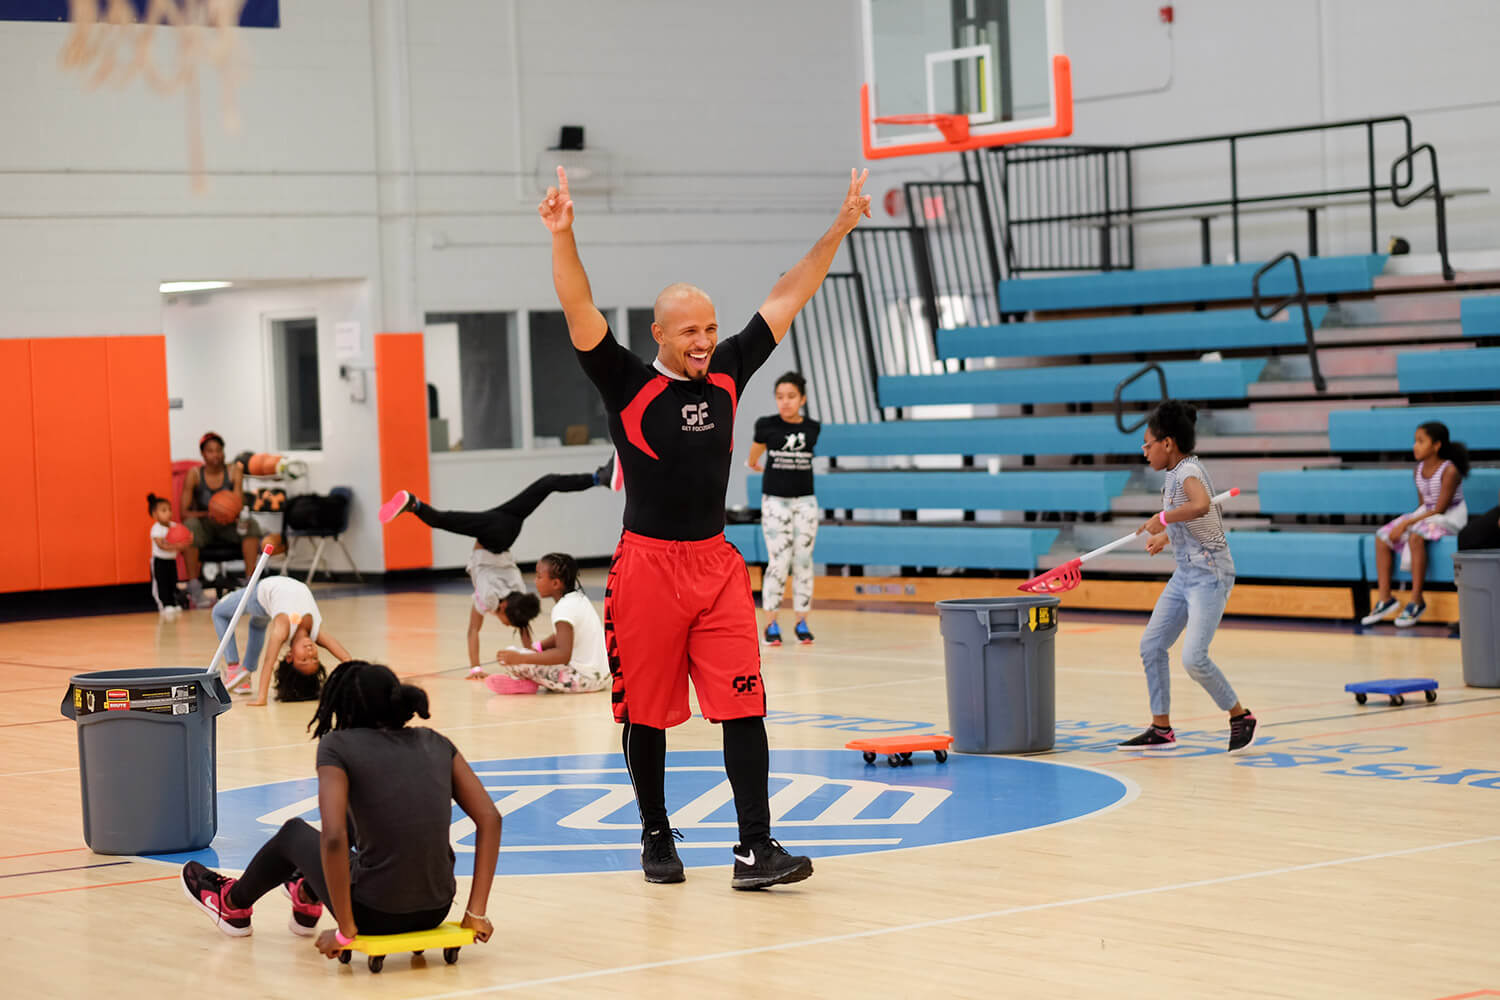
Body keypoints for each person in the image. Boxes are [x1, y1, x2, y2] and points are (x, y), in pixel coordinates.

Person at [539, 163, 870, 888]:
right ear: (657, 333)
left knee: (743, 703)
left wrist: (840, 227)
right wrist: (565, 235)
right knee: (647, 715)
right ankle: (656, 834)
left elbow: (789, 294)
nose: (704, 340)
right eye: (690, 330)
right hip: (647, 568)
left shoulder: (727, 370)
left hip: (716, 565)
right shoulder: (624, 378)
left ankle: (756, 848)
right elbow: (579, 305)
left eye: (711, 329)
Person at [180, 661, 501, 951]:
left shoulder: (339, 746)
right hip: (436, 909)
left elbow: (332, 838)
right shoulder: (436, 741)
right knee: (356, 816)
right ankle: (307, 893)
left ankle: (232, 905)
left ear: (343, 707)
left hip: (371, 913)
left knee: (294, 833)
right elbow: (490, 818)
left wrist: (347, 931)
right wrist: (475, 913)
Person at [380, 462, 615, 675]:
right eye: (506, 622)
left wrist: (527, 656)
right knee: (444, 519)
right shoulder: (488, 600)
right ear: (502, 607)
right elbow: (473, 630)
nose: (505, 624)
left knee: (547, 483)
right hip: (494, 535)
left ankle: (598, 478)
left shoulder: (518, 591)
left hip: (508, 529)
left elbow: (523, 628)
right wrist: (475, 667)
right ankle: (414, 503)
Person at [1119, 400, 1256, 755]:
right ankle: (1161, 729)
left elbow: (1199, 506)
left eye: (1148, 443)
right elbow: (1198, 519)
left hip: (1209, 573)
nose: (1144, 451)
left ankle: (1240, 716)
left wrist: (1162, 521)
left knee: (1194, 658)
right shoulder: (1175, 472)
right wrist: (1168, 536)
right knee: (1152, 645)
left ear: (1168, 443)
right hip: (1187, 572)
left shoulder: (1186, 472)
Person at [1360, 420, 1471, 628]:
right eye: (1415, 441)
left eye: (1421, 441)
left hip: (1450, 517)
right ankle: (1385, 598)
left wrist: (1408, 524)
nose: (1415, 446)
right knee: (1382, 536)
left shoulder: (1449, 470)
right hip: (1428, 514)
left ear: (1436, 445)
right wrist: (1404, 523)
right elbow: (1424, 505)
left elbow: (1440, 509)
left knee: (1415, 535)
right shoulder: (1418, 470)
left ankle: (1416, 600)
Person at [747, 371, 821, 647]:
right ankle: (771, 623)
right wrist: (757, 464)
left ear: (802, 398)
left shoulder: (813, 428)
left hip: (805, 501)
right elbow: (754, 456)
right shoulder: (766, 425)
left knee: (803, 560)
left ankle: (802, 621)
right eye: (780, 397)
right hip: (775, 500)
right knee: (778, 561)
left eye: (791, 397)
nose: (785, 402)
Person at [211, 575, 351, 705]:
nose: (310, 653)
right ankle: (245, 674)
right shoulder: (316, 632)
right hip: (274, 595)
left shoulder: (282, 630)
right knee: (257, 625)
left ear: (290, 657)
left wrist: (262, 698)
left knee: (218, 612)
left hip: (260, 595)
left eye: (303, 660)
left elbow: (269, 662)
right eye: (315, 658)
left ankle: (234, 667)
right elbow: (346, 659)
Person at [491, 553, 609, 693]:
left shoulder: (562, 609)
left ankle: (525, 684)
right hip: (603, 677)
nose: (535, 581)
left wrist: (520, 657)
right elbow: (565, 636)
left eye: (539, 577)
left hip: (583, 680)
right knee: (527, 656)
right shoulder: (579, 598)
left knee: (512, 656)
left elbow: (563, 654)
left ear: (555, 584)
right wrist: (539, 646)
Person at [180, 431, 263, 602]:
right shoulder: (194, 474)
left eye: (219, 450)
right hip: (205, 525)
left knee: (251, 524)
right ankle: (194, 586)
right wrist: (211, 513)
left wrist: (228, 511)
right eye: (210, 451)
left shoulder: (234, 471)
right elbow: (183, 512)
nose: (216, 455)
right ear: (203, 454)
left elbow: (238, 504)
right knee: (189, 525)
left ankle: (250, 585)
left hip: (230, 524)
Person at [147, 493, 190, 617]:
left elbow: (184, 538)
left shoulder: (174, 526)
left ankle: (173, 602)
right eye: (164, 510)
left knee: (172, 581)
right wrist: (176, 546)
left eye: (169, 510)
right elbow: (161, 545)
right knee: (162, 583)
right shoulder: (156, 528)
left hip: (171, 560)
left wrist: (187, 540)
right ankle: (164, 604)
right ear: (155, 514)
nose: (168, 513)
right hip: (159, 561)